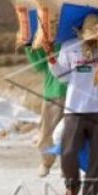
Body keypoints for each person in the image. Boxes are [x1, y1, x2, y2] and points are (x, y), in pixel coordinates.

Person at [45, 35, 98, 195]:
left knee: (96, 159)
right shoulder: (69, 45)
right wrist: (51, 58)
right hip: (74, 108)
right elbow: (62, 77)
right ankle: (72, 186)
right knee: (68, 151)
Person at [25, 44, 67, 177]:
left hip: (74, 94)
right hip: (53, 93)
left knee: (71, 132)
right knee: (48, 131)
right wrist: (29, 47)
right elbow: (39, 66)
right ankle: (46, 162)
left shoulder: (73, 41)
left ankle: (67, 165)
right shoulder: (48, 43)